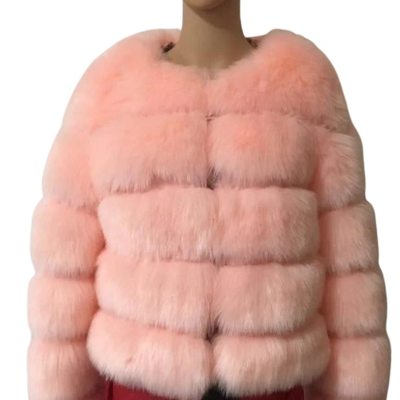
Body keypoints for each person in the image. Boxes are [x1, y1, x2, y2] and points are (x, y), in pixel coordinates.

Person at [27, 1, 391, 400]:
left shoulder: (305, 85)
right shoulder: (110, 90)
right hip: (141, 386)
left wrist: (357, 385)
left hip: (269, 387)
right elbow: (64, 267)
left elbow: (348, 269)